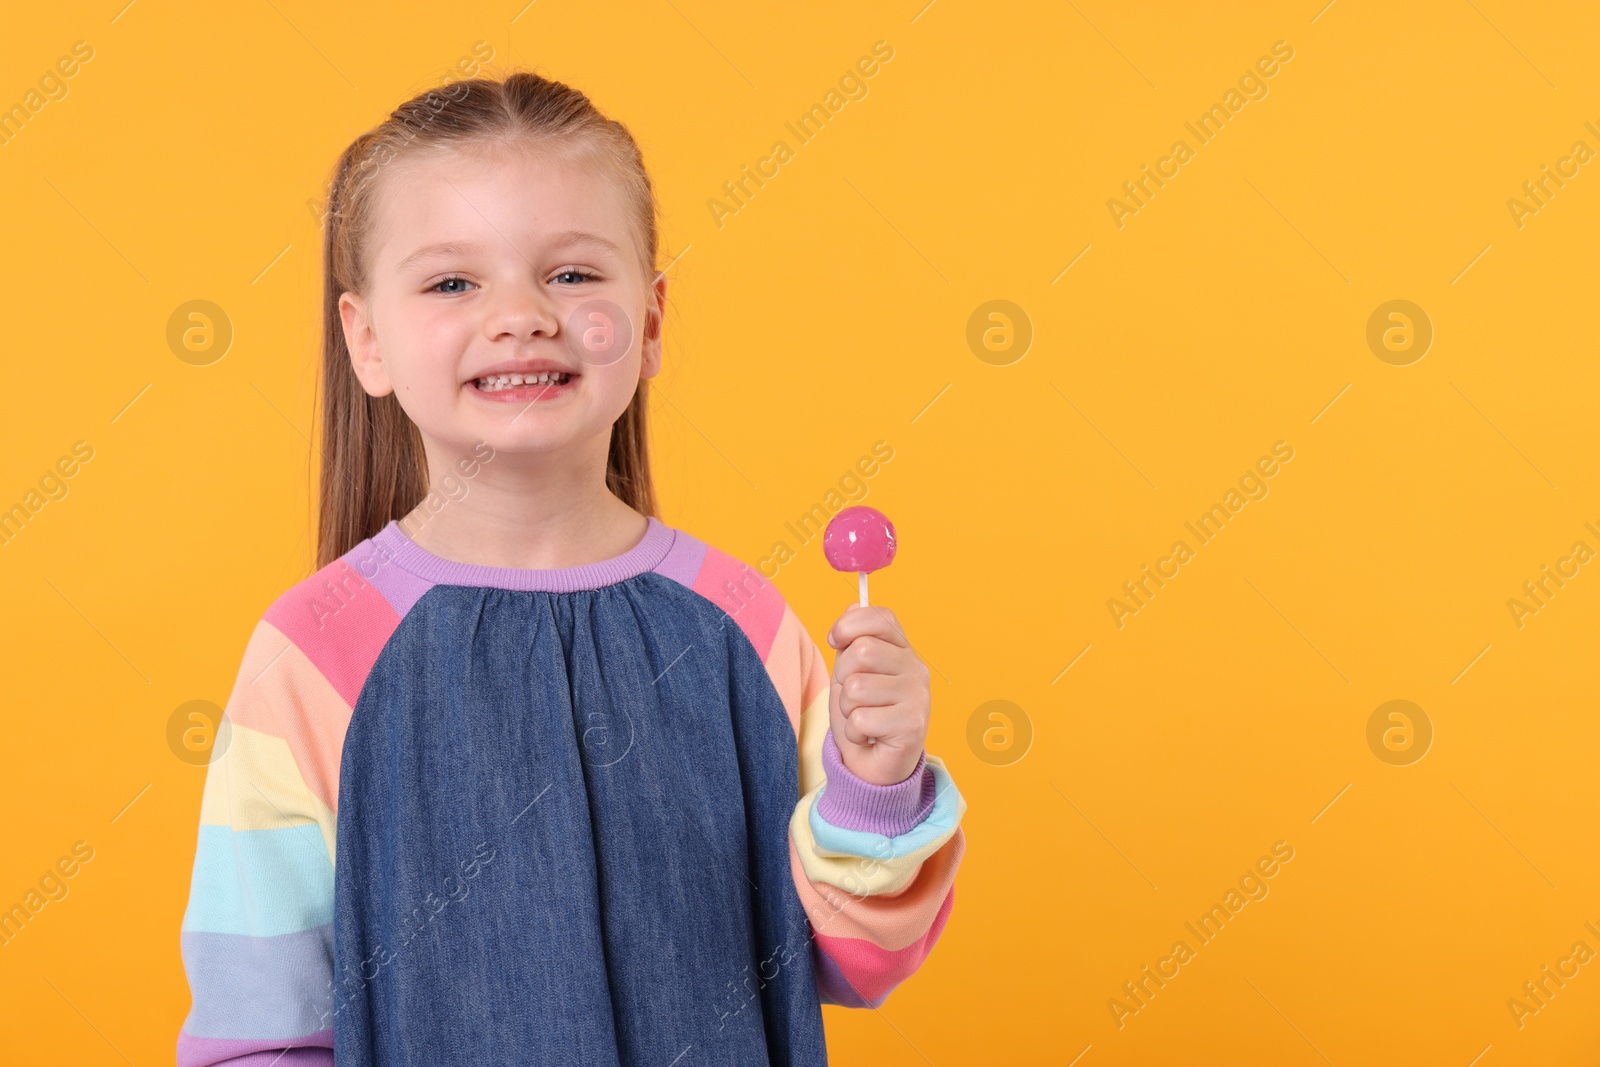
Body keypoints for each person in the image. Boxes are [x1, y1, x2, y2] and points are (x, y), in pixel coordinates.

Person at [175, 69, 966, 1066]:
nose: (522, 315)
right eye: (453, 281)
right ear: (366, 338)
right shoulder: (316, 649)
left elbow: (858, 961)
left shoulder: (742, 624)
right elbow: (260, 1028)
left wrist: (877, 789)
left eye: (573, 274)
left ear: (649, 321)